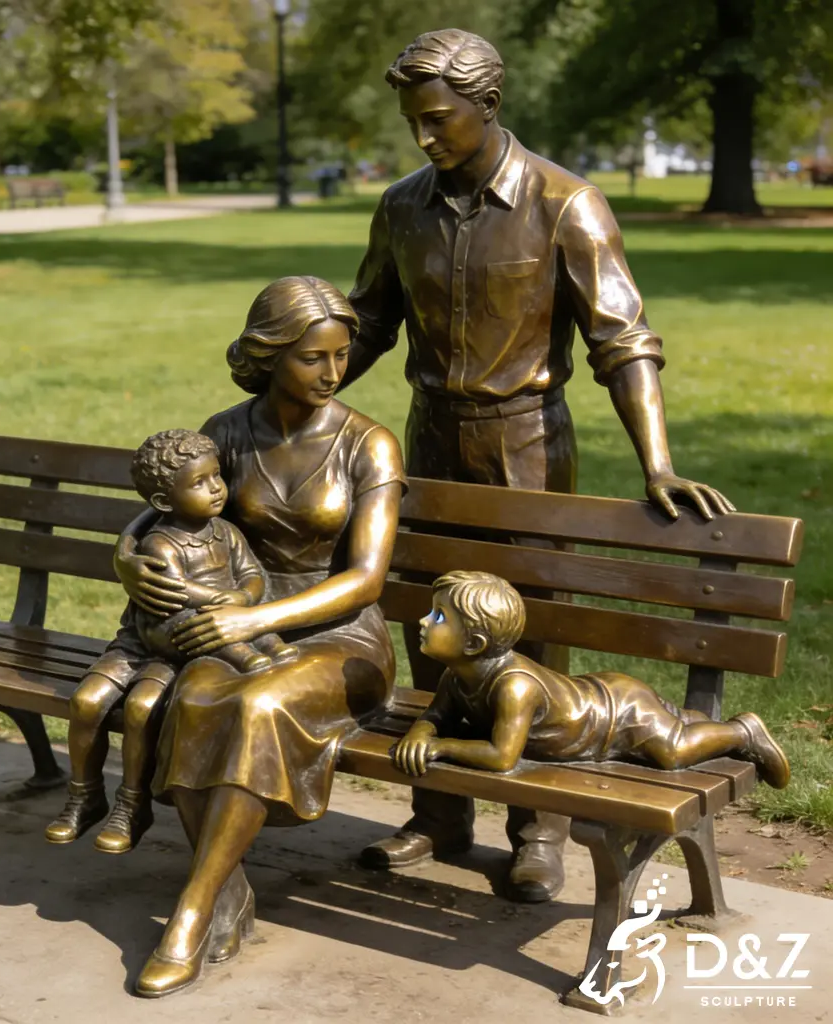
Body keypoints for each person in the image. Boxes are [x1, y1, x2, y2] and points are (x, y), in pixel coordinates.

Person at [343, 28, 735, 898]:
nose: (423, 138)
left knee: (531, 627)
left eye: (438, 118)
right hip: (431, 438)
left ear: (488, 105)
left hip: (526, 440)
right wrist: (287, 381)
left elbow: (622, 338)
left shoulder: (565, 202)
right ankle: (439, 811)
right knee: (431, 621)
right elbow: (368, 320)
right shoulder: (401, 206)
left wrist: (657, 462)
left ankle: (538, 826)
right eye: (413, 120)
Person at [113, 276, 405, 997]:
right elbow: (162, 516)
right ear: (269, 354)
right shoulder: (226, 431)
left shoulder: (369, 445)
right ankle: (231, 887)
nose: (334, 373)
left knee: (256, 706)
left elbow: (367, 580)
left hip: (343, 636)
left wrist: (255, 618)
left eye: (343, 355)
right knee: (194, 700)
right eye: (315, 358)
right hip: (228, 616)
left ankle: (192, 906)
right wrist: (124, 556)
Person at [44, 429, 295, 855]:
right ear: (163, 501)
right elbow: (173, 591)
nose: (216, 488)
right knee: (86, 702)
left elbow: (253, 575)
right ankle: (84, 796)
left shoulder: (227, 534)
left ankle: (132, 804)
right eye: (200, 483)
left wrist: (243, 596)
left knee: (142, 710)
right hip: (145, 640)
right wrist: (221, 599)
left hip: (180, 645)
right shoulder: (160, 542)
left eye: (216, 476)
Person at [393, 572, 790, 788]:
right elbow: (436, 713)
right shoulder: (457, 675)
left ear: (475, 642)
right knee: (671, 726)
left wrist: (440, 747)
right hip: (594, 697)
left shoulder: (514, 687)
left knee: (672, 751)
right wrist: (420, 734)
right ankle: (686, 718)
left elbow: (502, 758)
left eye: (439, 616)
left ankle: (741, 732)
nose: (424, 621)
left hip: (613, 717)